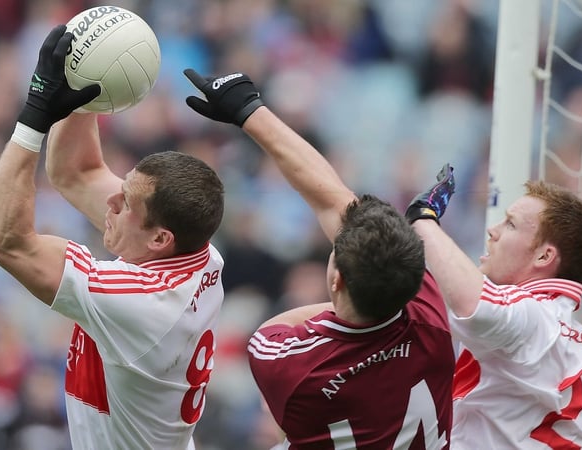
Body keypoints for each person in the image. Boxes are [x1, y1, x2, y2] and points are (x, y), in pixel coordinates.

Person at [0, 25, 226, 449]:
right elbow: (78, 173)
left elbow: (3, 239)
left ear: (159, 239)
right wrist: (86, 83)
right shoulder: (196, 249)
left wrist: (36, 113)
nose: (110, 201)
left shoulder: (137, 304)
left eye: (126, 203)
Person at [183, 69, 455, 449]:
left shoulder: (284, 361)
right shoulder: (430, 318)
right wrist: (251, 111)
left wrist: (248, 110)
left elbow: (333, 201)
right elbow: (335, 202)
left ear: (337, 281)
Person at [406, 168, 582, 448]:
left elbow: (476, 308)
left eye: (510, 224)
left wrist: (423, 219)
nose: (492, 230)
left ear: (544, 255)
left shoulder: (531, 317)